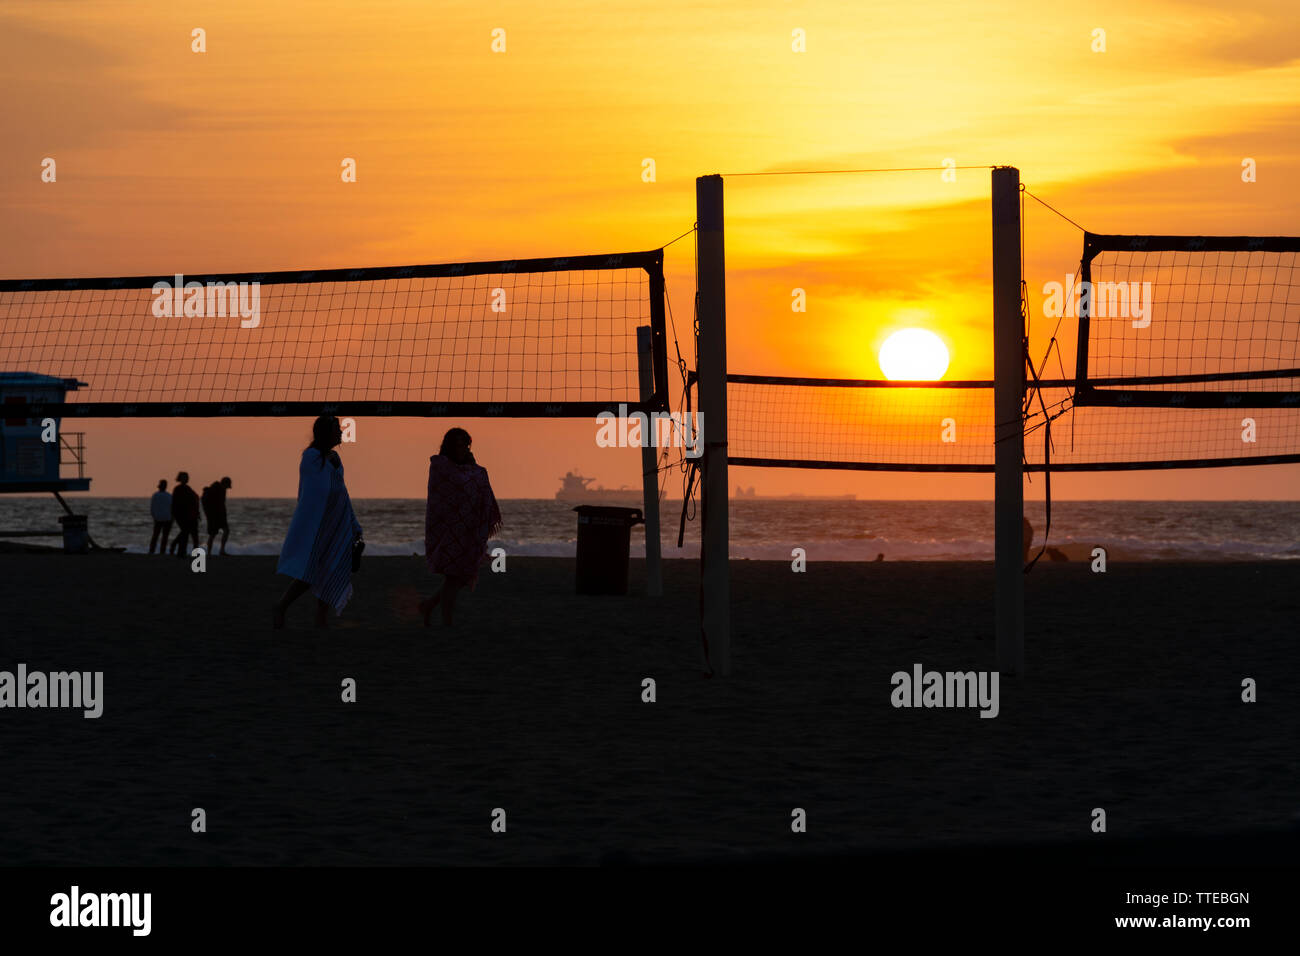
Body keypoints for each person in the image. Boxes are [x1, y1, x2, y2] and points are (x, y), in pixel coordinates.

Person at [274, 416, 363, 628]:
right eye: (336, 429)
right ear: (325, 432)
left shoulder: (335, 458)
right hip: (319, 526)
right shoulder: (311, 457)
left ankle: (321, 620)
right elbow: (313, 494)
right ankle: (281, 606)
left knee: (331, 570)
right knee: (310, 573)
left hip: (337, 524)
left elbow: (341, 493)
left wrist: (353, 524)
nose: (341, 433)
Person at [420, 427, 502, 627]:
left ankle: (429, 605)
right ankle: (446, 622)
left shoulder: (472, 469)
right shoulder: (440, 467)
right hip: (447, 530)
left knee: (461, 577)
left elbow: (478, 485)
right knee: (453, 577)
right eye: (459, 445)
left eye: (466, 445)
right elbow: (449, 494)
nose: (463, 449)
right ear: (449, 446)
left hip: (469, 531)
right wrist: (472, 470)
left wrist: (473, 467)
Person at [171, 472, 201, 557]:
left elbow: (194, 501)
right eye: (185, 477)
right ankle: (181, 551)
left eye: (187, 477)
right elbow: (174, 503)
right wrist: (173, 515)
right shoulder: (178, 489)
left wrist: (197, 513)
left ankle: (192, 552)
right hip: (182, 515)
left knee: (190, 533)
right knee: (185, 533)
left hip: (191, 515)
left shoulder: (188, 488)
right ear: (180, 479)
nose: (187, 479)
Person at [203, 476, 233, 555]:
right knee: (213, 534)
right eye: (227, 485)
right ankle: (209, 552)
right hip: (214, 516)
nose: (227, 488)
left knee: (225, 531)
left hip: (220, 516)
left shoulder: (222, 490)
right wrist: (209, 514)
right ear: (224, 483)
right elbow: (211, 504)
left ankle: (221, 550)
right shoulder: (215, 489)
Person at [148, 479, 173, 554]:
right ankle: (162, 551)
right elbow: (172, 507)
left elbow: (152, 508)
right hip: (167, 518)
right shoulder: (169, 496)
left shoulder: (155, 495)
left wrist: (154, 516)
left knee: (155, 535)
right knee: (164, 537)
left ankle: (152, 550)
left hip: (158, 518)